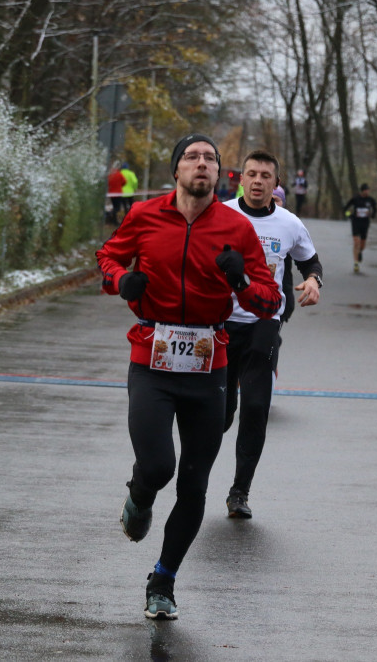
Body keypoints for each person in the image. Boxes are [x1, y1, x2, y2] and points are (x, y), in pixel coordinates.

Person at [95, 133, 282, 621]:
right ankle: (139, 496)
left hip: (208, 365)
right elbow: (107, 257)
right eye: (192, 157)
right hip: (152, 358)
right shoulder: (144, 216)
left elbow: (270, 301)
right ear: (176, 170)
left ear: (219, 174)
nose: (201, 163)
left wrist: (241, 280)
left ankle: (164, 580)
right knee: (158, 466)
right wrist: (121, 280)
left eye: (210, 159)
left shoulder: (237, 229)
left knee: (194, 485)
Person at [221, 150, 323, 519]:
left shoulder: (289, 223)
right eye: (252, 174)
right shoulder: (221, 215)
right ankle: (195, 480)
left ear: (276, 183)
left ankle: (239, 492)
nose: (258, 181)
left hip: (264, 322)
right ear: (241, 180)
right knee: (220, 414)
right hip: (219, 323)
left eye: (266, 176)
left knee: (255, 407)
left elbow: (310, 261)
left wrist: (313, 281)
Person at [344, 183, 377, 272]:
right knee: (356, 242)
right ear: (362, 191)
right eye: (366, 190)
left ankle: (360, 251)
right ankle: (356, 263)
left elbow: (375, 209)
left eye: (368, 190)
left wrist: (372, 215)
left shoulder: (370, 200)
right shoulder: (355, 199)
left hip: (365, 223)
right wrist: (349, 216)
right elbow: (345, 208)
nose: (367, 192)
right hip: (356, 222)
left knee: (362, 244)